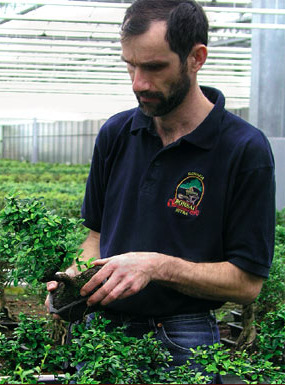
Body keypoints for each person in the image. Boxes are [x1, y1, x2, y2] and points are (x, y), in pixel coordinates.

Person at [46, 0, 276, 381]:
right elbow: (97, 237)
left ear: (196, 58)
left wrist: (156, 266)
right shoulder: (116, 133)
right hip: (103, 332)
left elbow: (247, 283)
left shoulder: (243, 149)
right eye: (130, 65)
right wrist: (76, 277)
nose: (139, 83)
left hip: (183, 336)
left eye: (154, 67)